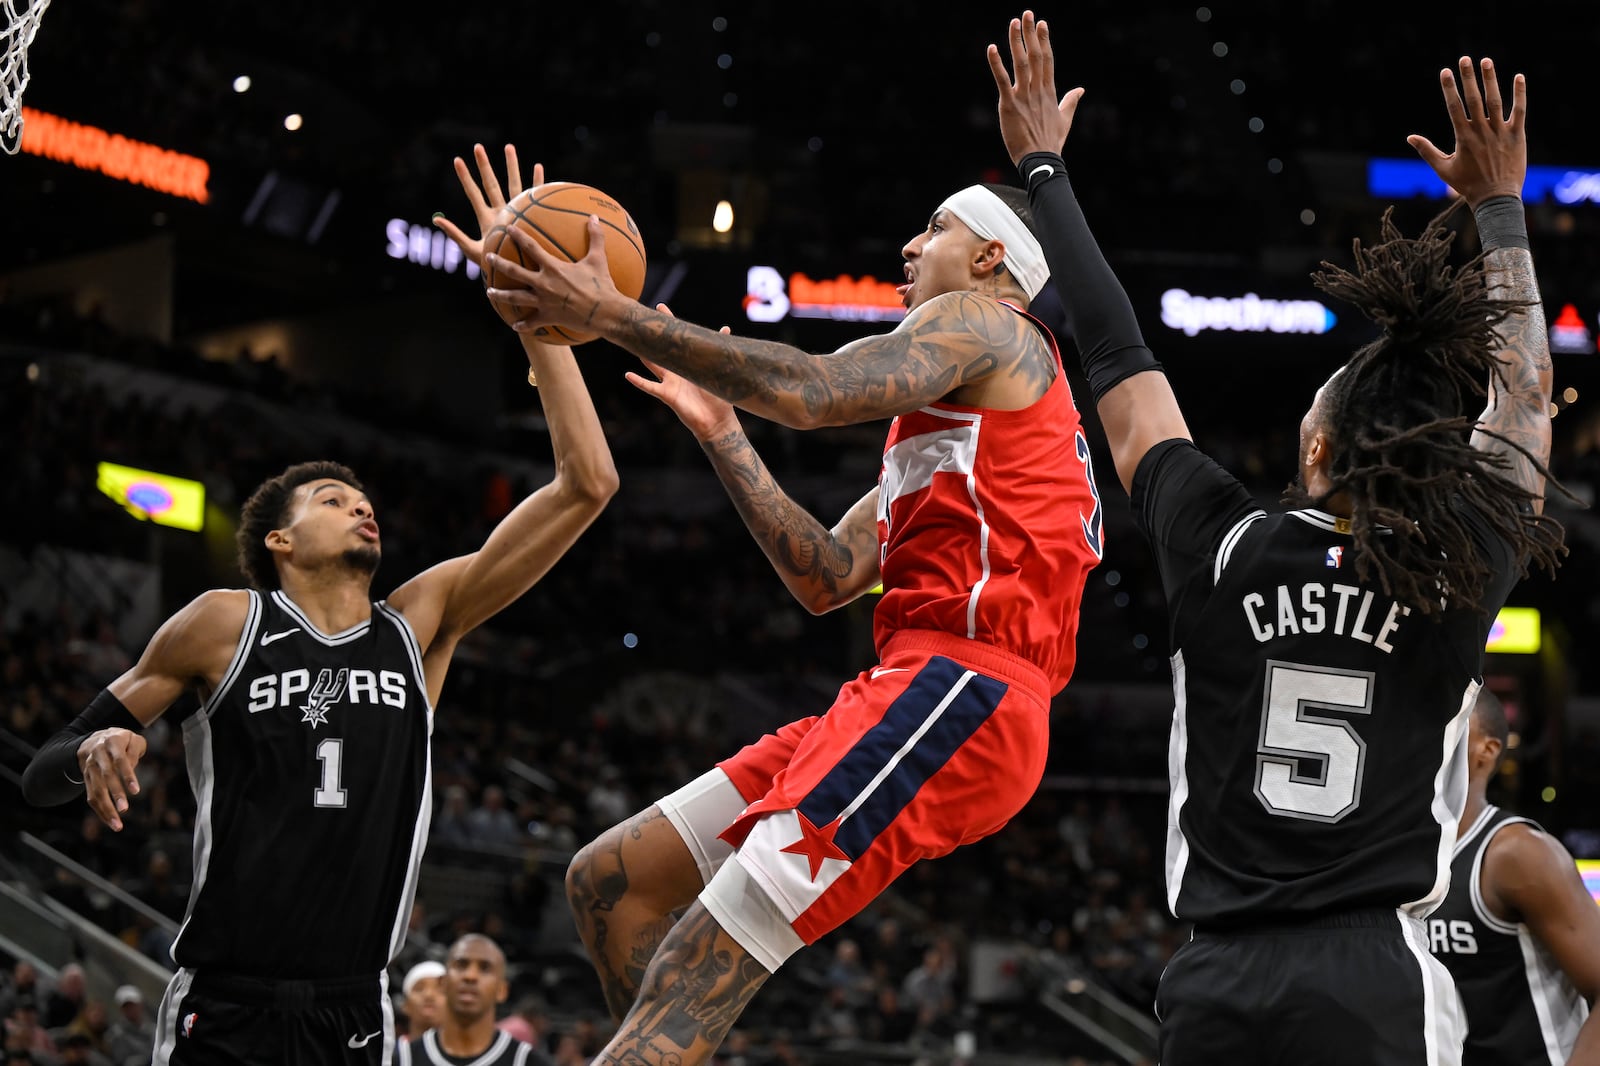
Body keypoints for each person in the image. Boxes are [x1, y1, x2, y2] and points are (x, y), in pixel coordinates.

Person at [988, 12, 1566, 1066]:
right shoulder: (1451, 564)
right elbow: (1526, 398)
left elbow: (1115, 356)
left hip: (1216, 981)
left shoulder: (1222, 539)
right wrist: (1498, 210)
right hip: (1370, 978)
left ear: (1315, 451)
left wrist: (1043, 170)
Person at [486, 84, 1104, 1066]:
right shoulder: (958, 427)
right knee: (610, 880)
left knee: (696, 963)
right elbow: (824, 575)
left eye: (933, 228)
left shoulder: (994, 330)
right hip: (910, 682)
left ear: (989, 259)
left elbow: (814, 389)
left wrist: (615, 316)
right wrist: (727, 436)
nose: (909, 246)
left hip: (967, 689)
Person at [20, 145, 619, 1066]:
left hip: (352, 1011)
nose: (361, 503)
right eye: (333, 499)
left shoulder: (420, 623)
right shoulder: (225, 623)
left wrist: (533, 318)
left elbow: (588, 483)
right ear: (281, 542)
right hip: (225, 1005)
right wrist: (99, 742)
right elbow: (40, 776)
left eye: (364, 497)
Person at [1427, 688, 1599, 1064]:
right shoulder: (1398, 855)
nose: (1425, 735)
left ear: (1485, 752)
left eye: (1447, 725)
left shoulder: (1516, 853)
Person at [396, 935, 550, 1066]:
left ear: (502, 991)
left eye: (484, 968)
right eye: (461, 965)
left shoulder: (526, 1061)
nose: (471, 976)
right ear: (443, 983)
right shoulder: (401, 1060)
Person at [106, 986, 154, 1066]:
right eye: (126, 1007)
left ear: (141, 1005)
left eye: (133, 1005)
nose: (131, 1009)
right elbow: (122, 1061)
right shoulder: (116, 1034)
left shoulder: (153, 1029)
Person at [398, 962, 446, 1042]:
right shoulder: (388, 1051)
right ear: (405, 1005)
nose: (429, 995)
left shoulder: (465, 1052)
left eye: (440, 990)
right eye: (419, 989)